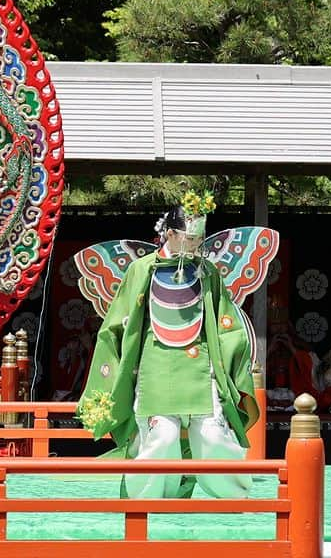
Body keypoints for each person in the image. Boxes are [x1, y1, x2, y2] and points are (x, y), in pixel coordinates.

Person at [77, 192, 257, 499]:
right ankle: (148, 501)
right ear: (170, 234)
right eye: (190, 239)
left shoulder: (208, 271)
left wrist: (234, 361)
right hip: (155, 366)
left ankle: (233, 498)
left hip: (201, 367)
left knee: (212, 434)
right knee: (162, 435)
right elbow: (118, 325)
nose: (196, 246)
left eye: (200, 240)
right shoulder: (141, 269)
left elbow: (227, 323)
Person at [265, 294, 322, 412]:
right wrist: (269, 350)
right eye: (274, 325)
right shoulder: (261, 345)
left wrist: (293, 350)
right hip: (269, 393)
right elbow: (252, 368)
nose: (279, 329)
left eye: (282, 324)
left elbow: (313, 370)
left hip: (294, 393)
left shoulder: (298, 344)